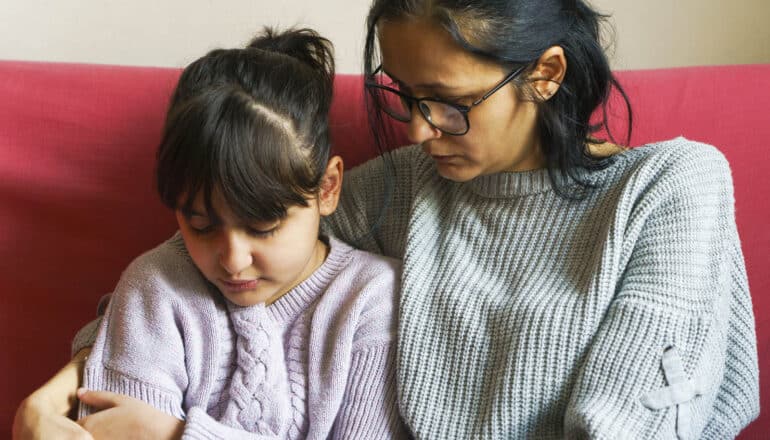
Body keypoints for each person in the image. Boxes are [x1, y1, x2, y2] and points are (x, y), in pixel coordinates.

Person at [15, 0, 760, 439]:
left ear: (547, 72)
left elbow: (626, 425)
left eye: (447, 102)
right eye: (402, 94)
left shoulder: (667, 188)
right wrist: (59, 394)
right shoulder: (406, 188)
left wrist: (182, 436)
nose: (416, 130)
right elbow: (214, 254)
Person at [15, 27, 406, 440]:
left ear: (327, 188)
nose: (233, 260)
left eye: (263, 228)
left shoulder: (372, 301)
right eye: (201, 226)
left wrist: (176, 434)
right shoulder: (157, 285)